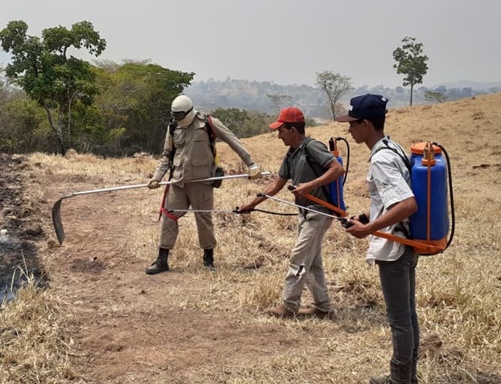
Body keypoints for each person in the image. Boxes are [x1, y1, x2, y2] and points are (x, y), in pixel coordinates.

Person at [336, 94, 420, 384]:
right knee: (407, 315)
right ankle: (408, 377)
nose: (349, 130)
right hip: (404, 240)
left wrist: (369, 230)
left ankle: (400, 379)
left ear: (366, 124)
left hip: (395, 246)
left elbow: (407, 204)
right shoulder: (391, 147)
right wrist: (368, 218)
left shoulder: (381, 159)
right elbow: (393, 202)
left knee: (399, 319)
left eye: (352, 124)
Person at [237, 107, 344, 319]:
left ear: (293, 130)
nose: (278, 135)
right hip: (305, 213)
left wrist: (309, 185)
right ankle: (323, 308)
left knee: (298, 257)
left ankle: (289, 305)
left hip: (319, 212)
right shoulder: (292, 154)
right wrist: (251, 204)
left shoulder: (313, 147)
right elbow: (275, 185)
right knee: (312, 262)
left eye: (281, 130)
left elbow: (337, 170)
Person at [145, 94, 261, 275]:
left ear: (189, 112)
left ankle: (208, 260)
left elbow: (233, 141)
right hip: (178, 181)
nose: (178, 119)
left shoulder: (208, 123)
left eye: (180, 116)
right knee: (169, 216)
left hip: (201, 182)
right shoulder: (173, 126)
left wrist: (251, 164)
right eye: (175, 116)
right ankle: (162, 259)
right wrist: (157, 177)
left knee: (203, 219)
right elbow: (167, 154)